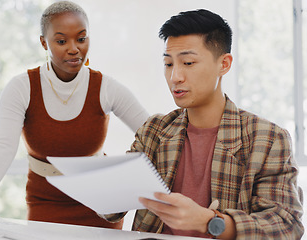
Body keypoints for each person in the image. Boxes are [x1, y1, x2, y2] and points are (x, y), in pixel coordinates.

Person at [0, 1, 149, 229]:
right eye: (61, 41)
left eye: (81, 39)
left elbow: (153, 133)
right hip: (45, 203)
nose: (74, 48)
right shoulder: (22, 87)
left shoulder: (106, 87)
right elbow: (3, 147)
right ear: (44, 42)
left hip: (101, 206)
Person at [101, 9, 304, 239]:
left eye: (188, 62)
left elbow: (286, 226)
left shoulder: (267, 139)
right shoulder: (154, 130)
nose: (175, 76)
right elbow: (113, 210)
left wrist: (211, 222)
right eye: (168, 64)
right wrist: (104, 181)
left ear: (224, 64)